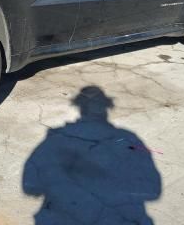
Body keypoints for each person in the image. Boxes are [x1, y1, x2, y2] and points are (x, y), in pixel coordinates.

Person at [22, 86, 161, 224]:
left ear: (79, 107)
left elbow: (30, 186)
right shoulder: (127, 137)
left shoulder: (57, 138)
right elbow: (153, 189)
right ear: (107, 107)